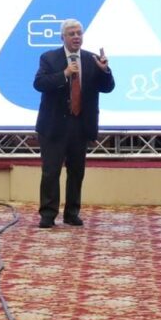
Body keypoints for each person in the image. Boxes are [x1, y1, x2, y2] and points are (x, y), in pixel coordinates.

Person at [33, 19, 114, 229]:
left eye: (79, 33)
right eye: (72, 34)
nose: (76, 37)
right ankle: (48, 214)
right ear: (63, 37)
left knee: (77, 172)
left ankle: (72, 213)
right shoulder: (49, 58)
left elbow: (108, 88)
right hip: (54, 125)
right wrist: (65, 74)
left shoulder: (91, 59)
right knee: (51, 172)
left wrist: (105, 70)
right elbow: (39, 83)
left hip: (80, 125)